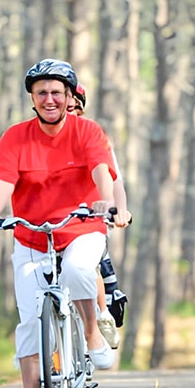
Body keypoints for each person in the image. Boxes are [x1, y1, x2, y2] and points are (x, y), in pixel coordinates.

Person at [0, 58, 127, 388]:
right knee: (30, 321)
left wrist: (106, 203)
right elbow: (2, 183)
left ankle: (92, 333)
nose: (49, 99)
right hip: (31, 234)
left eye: (57, 93)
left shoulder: (88, 131)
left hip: (81, 228)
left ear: (67, 97)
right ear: (32, 97)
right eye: (42, 92)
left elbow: (101, 172)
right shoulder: (15, 136)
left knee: (79, 270)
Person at [69, 83, 131, 349]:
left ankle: (102, 313)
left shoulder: (94, 137)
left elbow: (114, 179)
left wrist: (120, 208)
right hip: (53, 219)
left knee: (87, 262)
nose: (68, 112)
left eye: (73, 108)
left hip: (89, 214)